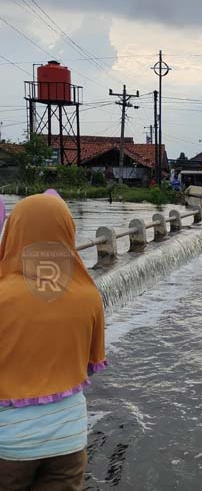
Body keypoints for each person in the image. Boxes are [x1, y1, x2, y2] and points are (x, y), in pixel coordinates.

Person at [0, 193, 108, 490]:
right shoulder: (87, 295)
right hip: (69, 440)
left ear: (14, 232)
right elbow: (88, 364)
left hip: (9, 441)